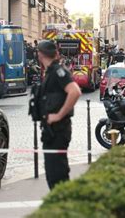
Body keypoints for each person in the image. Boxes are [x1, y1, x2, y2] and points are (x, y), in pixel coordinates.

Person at [36, 40, 82, 189]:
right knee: (53, 173)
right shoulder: (51, 72)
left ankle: (63, 208)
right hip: (52, 131)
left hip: (58, 129)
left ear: (40, 55)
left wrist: (59, 115)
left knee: (57, 174)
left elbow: (75, 91)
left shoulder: (57, 71)